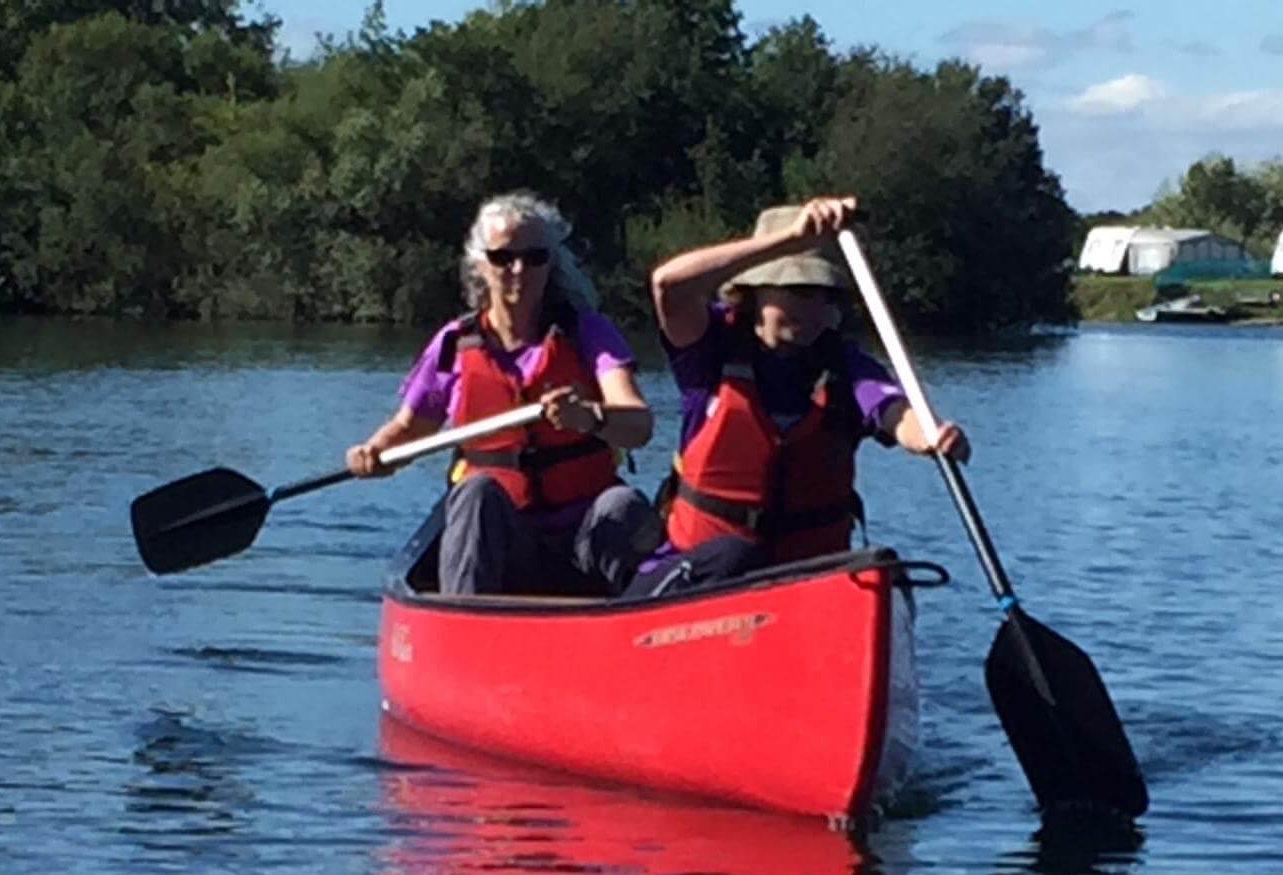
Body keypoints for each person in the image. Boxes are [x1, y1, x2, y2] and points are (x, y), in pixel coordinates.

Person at [626, 195, 970, 597]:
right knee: (737, 555)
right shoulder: (709, 348)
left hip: (800, 584)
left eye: (822, 294)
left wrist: (931, 436)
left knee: (882, 573)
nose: (813, 307)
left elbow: (894, 412)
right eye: (797, 290)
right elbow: (668, 284)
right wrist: (790, 241)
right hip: (697, 579)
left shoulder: (844, 365)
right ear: (756, 293)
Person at [346, 191, 660, 596]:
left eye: (535, 258)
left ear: (552, 264)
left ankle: (625, 625)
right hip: (501, 543)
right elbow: (410, 428)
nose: (518, 269)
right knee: (476, 493)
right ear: (480, 264)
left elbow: (638, 425)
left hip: (583, 540)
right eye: (502, 258)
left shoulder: (587, 333)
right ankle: (465, 623)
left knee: (624, 506)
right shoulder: (455, 343)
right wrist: (373, 452)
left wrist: (591, 417)